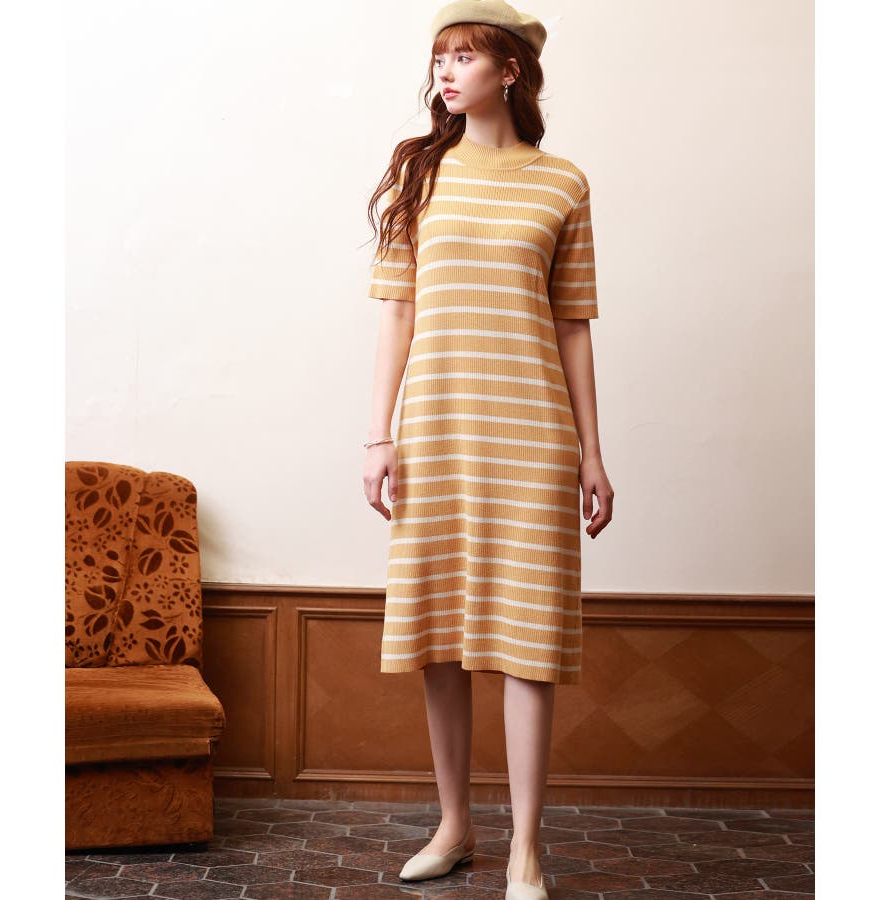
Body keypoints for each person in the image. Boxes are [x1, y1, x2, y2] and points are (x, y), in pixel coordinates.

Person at [362, 1, 613, 897]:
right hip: (434, 430)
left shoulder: (563, 183)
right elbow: (398, 311)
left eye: (464, 56)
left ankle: (526, 851)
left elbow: (573, 324)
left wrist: (592, 453)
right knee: (439, 638)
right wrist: (379, 435)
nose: (445, 71)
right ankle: (455, 826)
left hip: (533, 434)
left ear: (510, 71)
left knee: (528, 639)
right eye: (440, 57)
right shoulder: (420, 176)